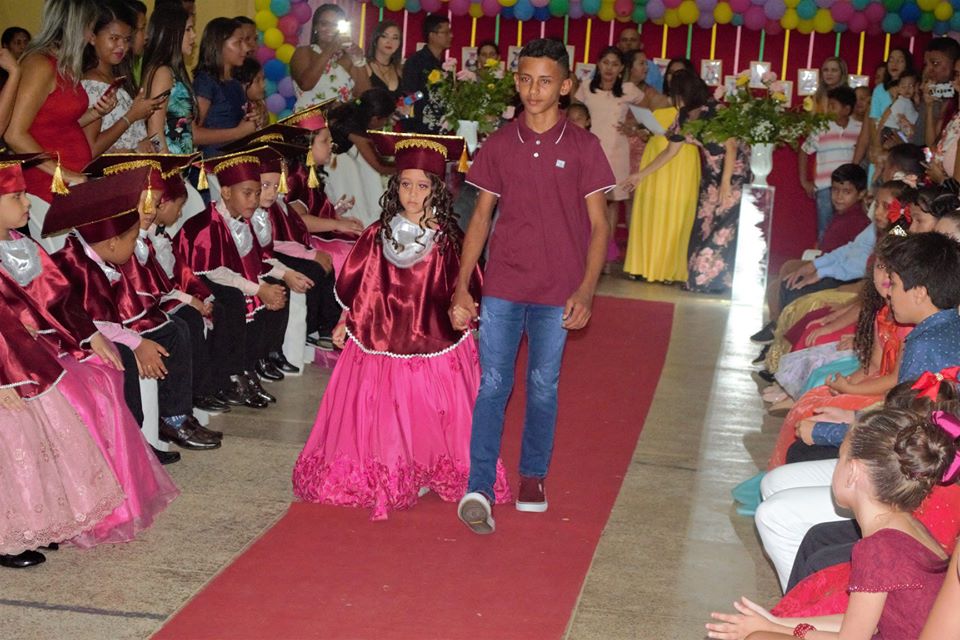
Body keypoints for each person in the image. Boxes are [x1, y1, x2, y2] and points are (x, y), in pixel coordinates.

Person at [293, 131, 511, 520]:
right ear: (396, 187)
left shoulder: (448, 239)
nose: (413, 194)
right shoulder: (378, 234)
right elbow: (363, 285)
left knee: (431, 409)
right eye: (406, 185)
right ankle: (393, 465)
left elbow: (464, 285)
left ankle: (427, 462)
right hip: (381, 341)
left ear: (436, 189)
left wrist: (463, 308)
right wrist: (346, 319)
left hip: (433, 341)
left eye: (422, 186)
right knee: (384, 411)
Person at [452, 38, 614, 534]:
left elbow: (600, 226)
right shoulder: (500, 144)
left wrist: (586, 290)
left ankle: (532, 477)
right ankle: (479, 486)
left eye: (545, 81)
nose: (533, 90)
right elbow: (481, 218)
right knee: (493, 384)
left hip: (558, 290)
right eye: (525, 79)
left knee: (543, 386)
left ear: (565, 86)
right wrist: (463, 285)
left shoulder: (584, 147)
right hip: (503, 284)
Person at [706, 408, 953, 639]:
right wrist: (775, 623)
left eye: (840, 458)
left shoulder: (877, 549)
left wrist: (778, 630)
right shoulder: (909, 527)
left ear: (853, 472)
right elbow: (864, 624)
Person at [177, 148, 293, 408]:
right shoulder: (207, 224)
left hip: (225, 278)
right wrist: (257, 289)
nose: (254, 200)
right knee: (232, 300)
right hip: (193, 281)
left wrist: (274, 280)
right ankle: (225, 378)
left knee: (259, 297)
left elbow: (255, 262)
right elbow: (212, 271)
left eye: (257, 193)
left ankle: (246, 367)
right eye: (247, 193)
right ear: (226, 192)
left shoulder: (243, 221)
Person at [5, 0, 105, 200]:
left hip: (72, 180)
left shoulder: (62, 65)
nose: (92, 37)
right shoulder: (39, 65)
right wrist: (65, 174)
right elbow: (14, 135)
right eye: (89, 28)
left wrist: (96, 113)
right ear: (74, 27)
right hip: (48, 184)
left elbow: (57, 123)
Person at [622, 69, 704, 283]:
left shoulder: (694, 113)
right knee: (652, 210)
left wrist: (640, 174)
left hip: (680, 163)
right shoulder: (667, 106)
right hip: (657, 157)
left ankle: (671, 269)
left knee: (677, 213)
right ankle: (644, 265)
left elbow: (674, 148)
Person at [574, 46, 644, 273]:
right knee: (585, 202)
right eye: (606, 63)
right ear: (598, 64)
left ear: (622, 68)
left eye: (615, 64)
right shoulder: (586, 88)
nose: (609, 68)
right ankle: (581, 252)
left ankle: (605, 256)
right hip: (588, 151)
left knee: (611, 202)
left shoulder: (629, 90)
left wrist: (635, 126)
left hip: (617, 152)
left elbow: (651, 114)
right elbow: (574, 115)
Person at [279, 102, 365, 276]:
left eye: (330, 140)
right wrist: (338, 224)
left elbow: (314, 209)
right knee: (356, 257)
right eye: (325, 141)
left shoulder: (309, 173)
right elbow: (299, 221)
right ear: (307, 146)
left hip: (321, 236)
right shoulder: (296, 177)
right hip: (308, 244)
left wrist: (337, 214)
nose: (331, 145)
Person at [684, 99, 752, 294]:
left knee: (723, 231)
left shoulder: (718, 119)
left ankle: (706, 278)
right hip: (712, 182)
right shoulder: (695, 122)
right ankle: (703, 278)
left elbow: (731, 148)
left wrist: (726, 182)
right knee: (705, 228)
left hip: (730, 182)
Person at [81, 0, 165, 155]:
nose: (122, 46)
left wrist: (148, 144)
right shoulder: (92, 84)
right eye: (114, 38)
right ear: (92, 37)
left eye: (126, 40)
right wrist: (131, 116)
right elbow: (90, 150)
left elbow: (135, 139)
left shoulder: (117, 78)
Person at [325, 88, 397, 227]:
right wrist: (405, 167)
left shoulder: (348, 111)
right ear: (376, 118)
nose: (386, 123)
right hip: (333, 167)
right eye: (386, 119)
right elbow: (379, 166)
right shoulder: (356, 131)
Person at [800, 86, 862, 239]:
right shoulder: (822, 127)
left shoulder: (859, 128)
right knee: (825, 229)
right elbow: (804, 151)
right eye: (828, 105)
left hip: (851, 189)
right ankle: (824, 253)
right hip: (825, 187)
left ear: (847, 109)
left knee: (850, 229)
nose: (828, 109)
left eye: (833, 106)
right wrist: (804, 181)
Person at [192, 17, 258, 158]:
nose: (246, 48)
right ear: (219, 45)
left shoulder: (234, 84)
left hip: (234, 160)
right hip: (211, 164)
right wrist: (238, 132)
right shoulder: (205, 82)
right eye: (239, 42)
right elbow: (193, 134)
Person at [290, 3, 370, 110]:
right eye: (324, 24)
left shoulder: (348, 58)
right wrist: (330, 49)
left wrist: (359, 61)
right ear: (316, 27)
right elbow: (306, 84)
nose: (330, 29)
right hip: (310, 118)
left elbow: (365, 97)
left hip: (341, 118)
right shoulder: (303, 52)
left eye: (335, 24)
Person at [141, 0, 197, 154]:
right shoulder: (162, 73)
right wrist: (166, 164)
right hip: (171, 162)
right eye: (188, 29)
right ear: (172, 33)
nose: (194, 35)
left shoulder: (172, 70)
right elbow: (154, 132)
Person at [400, 13, 452, 133]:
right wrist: (423, 94)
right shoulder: (415, 61)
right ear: (432, 35)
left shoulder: (445, 65)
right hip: (418, 127)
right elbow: (407, 98)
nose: (451, 35)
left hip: (441, 128)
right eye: (446, 32)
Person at [916, 37, 960, 148]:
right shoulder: (930, 89)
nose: (928, 70)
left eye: (935, 63)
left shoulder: (950, 95)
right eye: (926, 64)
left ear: (954, 64)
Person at [616, 26, 663, 92]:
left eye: (633, 40)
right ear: (618, 45)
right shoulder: (612, 64)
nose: (628, 43)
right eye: (624, 40)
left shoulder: (651, 68)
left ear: (641, 45)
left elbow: (658, 93)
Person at [365, 20, 402, 99]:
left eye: (395, 38)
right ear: (375, 40)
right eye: (384, 36)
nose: (390, 42)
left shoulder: (400, 69)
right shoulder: (364, 66)